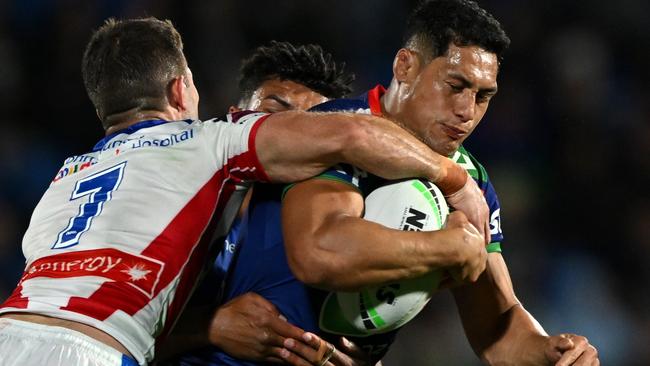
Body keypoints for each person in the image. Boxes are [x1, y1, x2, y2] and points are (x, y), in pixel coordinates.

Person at [0, 17, 491, 366]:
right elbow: (356, 133)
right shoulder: (211, 145)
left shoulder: (65, 176)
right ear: (184, 92)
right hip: (96, 348)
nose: (298, 131)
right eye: (282, 114)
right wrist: (456, 181)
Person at [180, 1, 600, 365]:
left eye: (483, 96)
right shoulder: (330, 131)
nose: (466, 111)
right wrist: (448, 250)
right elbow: (319, 251)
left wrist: (550, 352)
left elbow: (496, 330)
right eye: (455, 85)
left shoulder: (473, 182)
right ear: (405, 65)